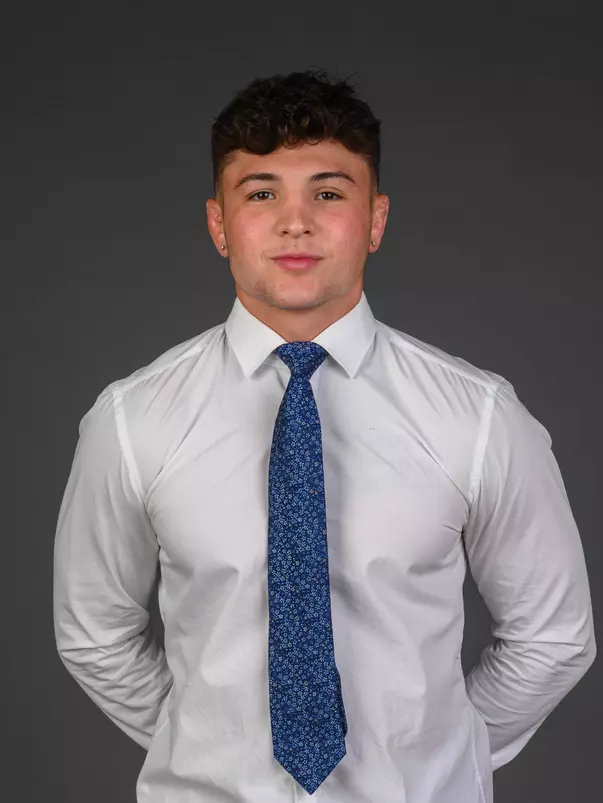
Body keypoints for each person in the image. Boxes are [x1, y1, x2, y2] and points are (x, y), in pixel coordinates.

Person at [53, 68, 596, 803]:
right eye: (262, 192)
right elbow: (95, 633)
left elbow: (552, 636)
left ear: (374, 218)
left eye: (329, 193)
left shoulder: (477, 416)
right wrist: (204, 746)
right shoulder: (132, 418)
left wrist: (440, 757)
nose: (295, 221)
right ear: (219, 224)